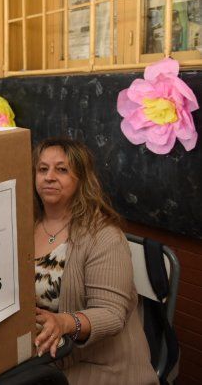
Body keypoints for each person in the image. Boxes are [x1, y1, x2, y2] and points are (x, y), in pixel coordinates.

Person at [32, 138, 157, 384]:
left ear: (81, 179)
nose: (49, 176)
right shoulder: (28, 223)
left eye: (62, 169)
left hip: (97, 366)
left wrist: (64, 322)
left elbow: (111, 314)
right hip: (42, 357)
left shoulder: (103, 236)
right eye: (42, 169)